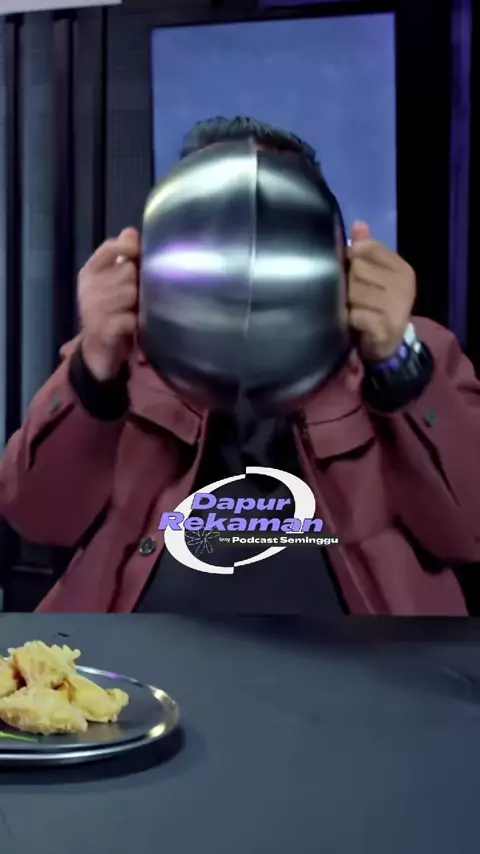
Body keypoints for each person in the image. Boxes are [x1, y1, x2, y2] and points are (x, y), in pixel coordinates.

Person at [1, 116, 480, 615]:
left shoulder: (411, 350)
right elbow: (38, 517)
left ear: (337, 250)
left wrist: (398, 364)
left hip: (362, 656)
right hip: (141, 654)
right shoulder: (123, 356)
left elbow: (470, 532)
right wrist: (96, 369)